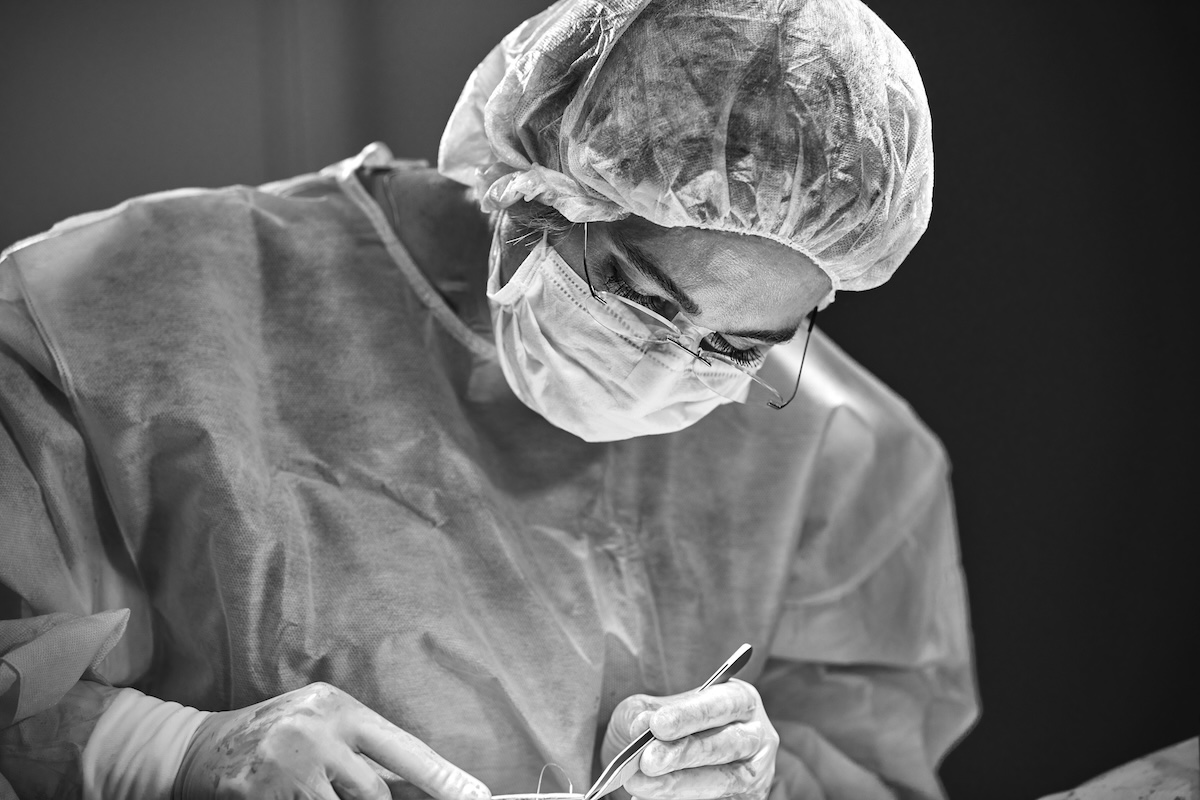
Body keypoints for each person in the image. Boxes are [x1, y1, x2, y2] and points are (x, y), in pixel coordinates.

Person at [0, 0, 978, 798]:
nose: (672, 369)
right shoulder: (121, 313)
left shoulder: (842, 455)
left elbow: (867, 763)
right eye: (643, 300)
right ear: (539, 195)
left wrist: (763, 781)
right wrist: (166, 752)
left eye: (738, 345)